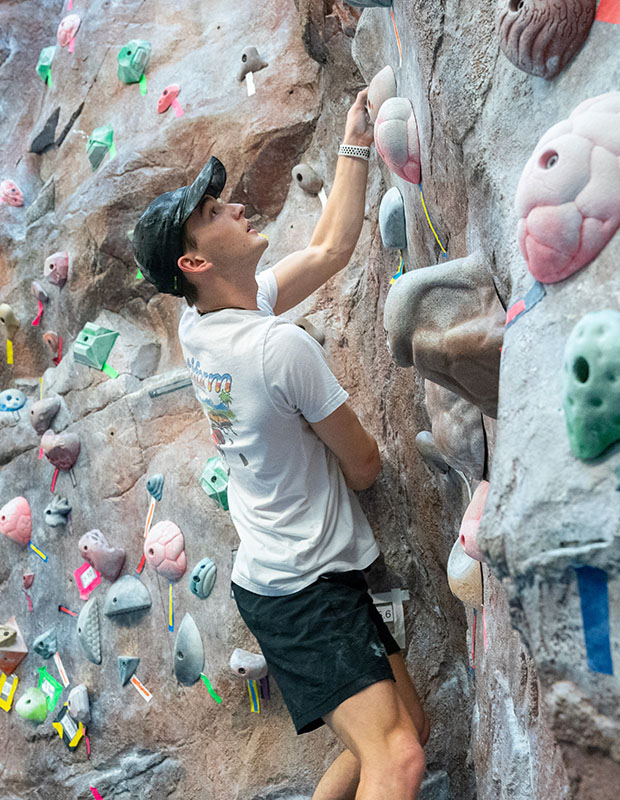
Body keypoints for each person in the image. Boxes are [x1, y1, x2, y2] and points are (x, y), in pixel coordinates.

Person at [132, 90, 429, 800]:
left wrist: (354, 140)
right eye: (214, 215)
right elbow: (364, 466)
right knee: (399, 758)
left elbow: (328, 248)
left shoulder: (203, 328)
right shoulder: (275, 349)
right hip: (303, 585)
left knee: (402, 735)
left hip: (284, 578)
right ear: (196, 264)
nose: (234, 207)